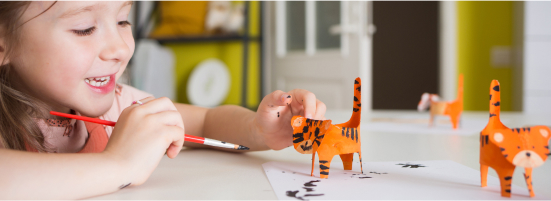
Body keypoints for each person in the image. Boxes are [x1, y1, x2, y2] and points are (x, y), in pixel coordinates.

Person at [0, 1, 326, 199]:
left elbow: (206, 122)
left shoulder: (118, 104)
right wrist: (118, 164)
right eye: (84, 28)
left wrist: (257, 131)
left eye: (122, 20)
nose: (120, 48)